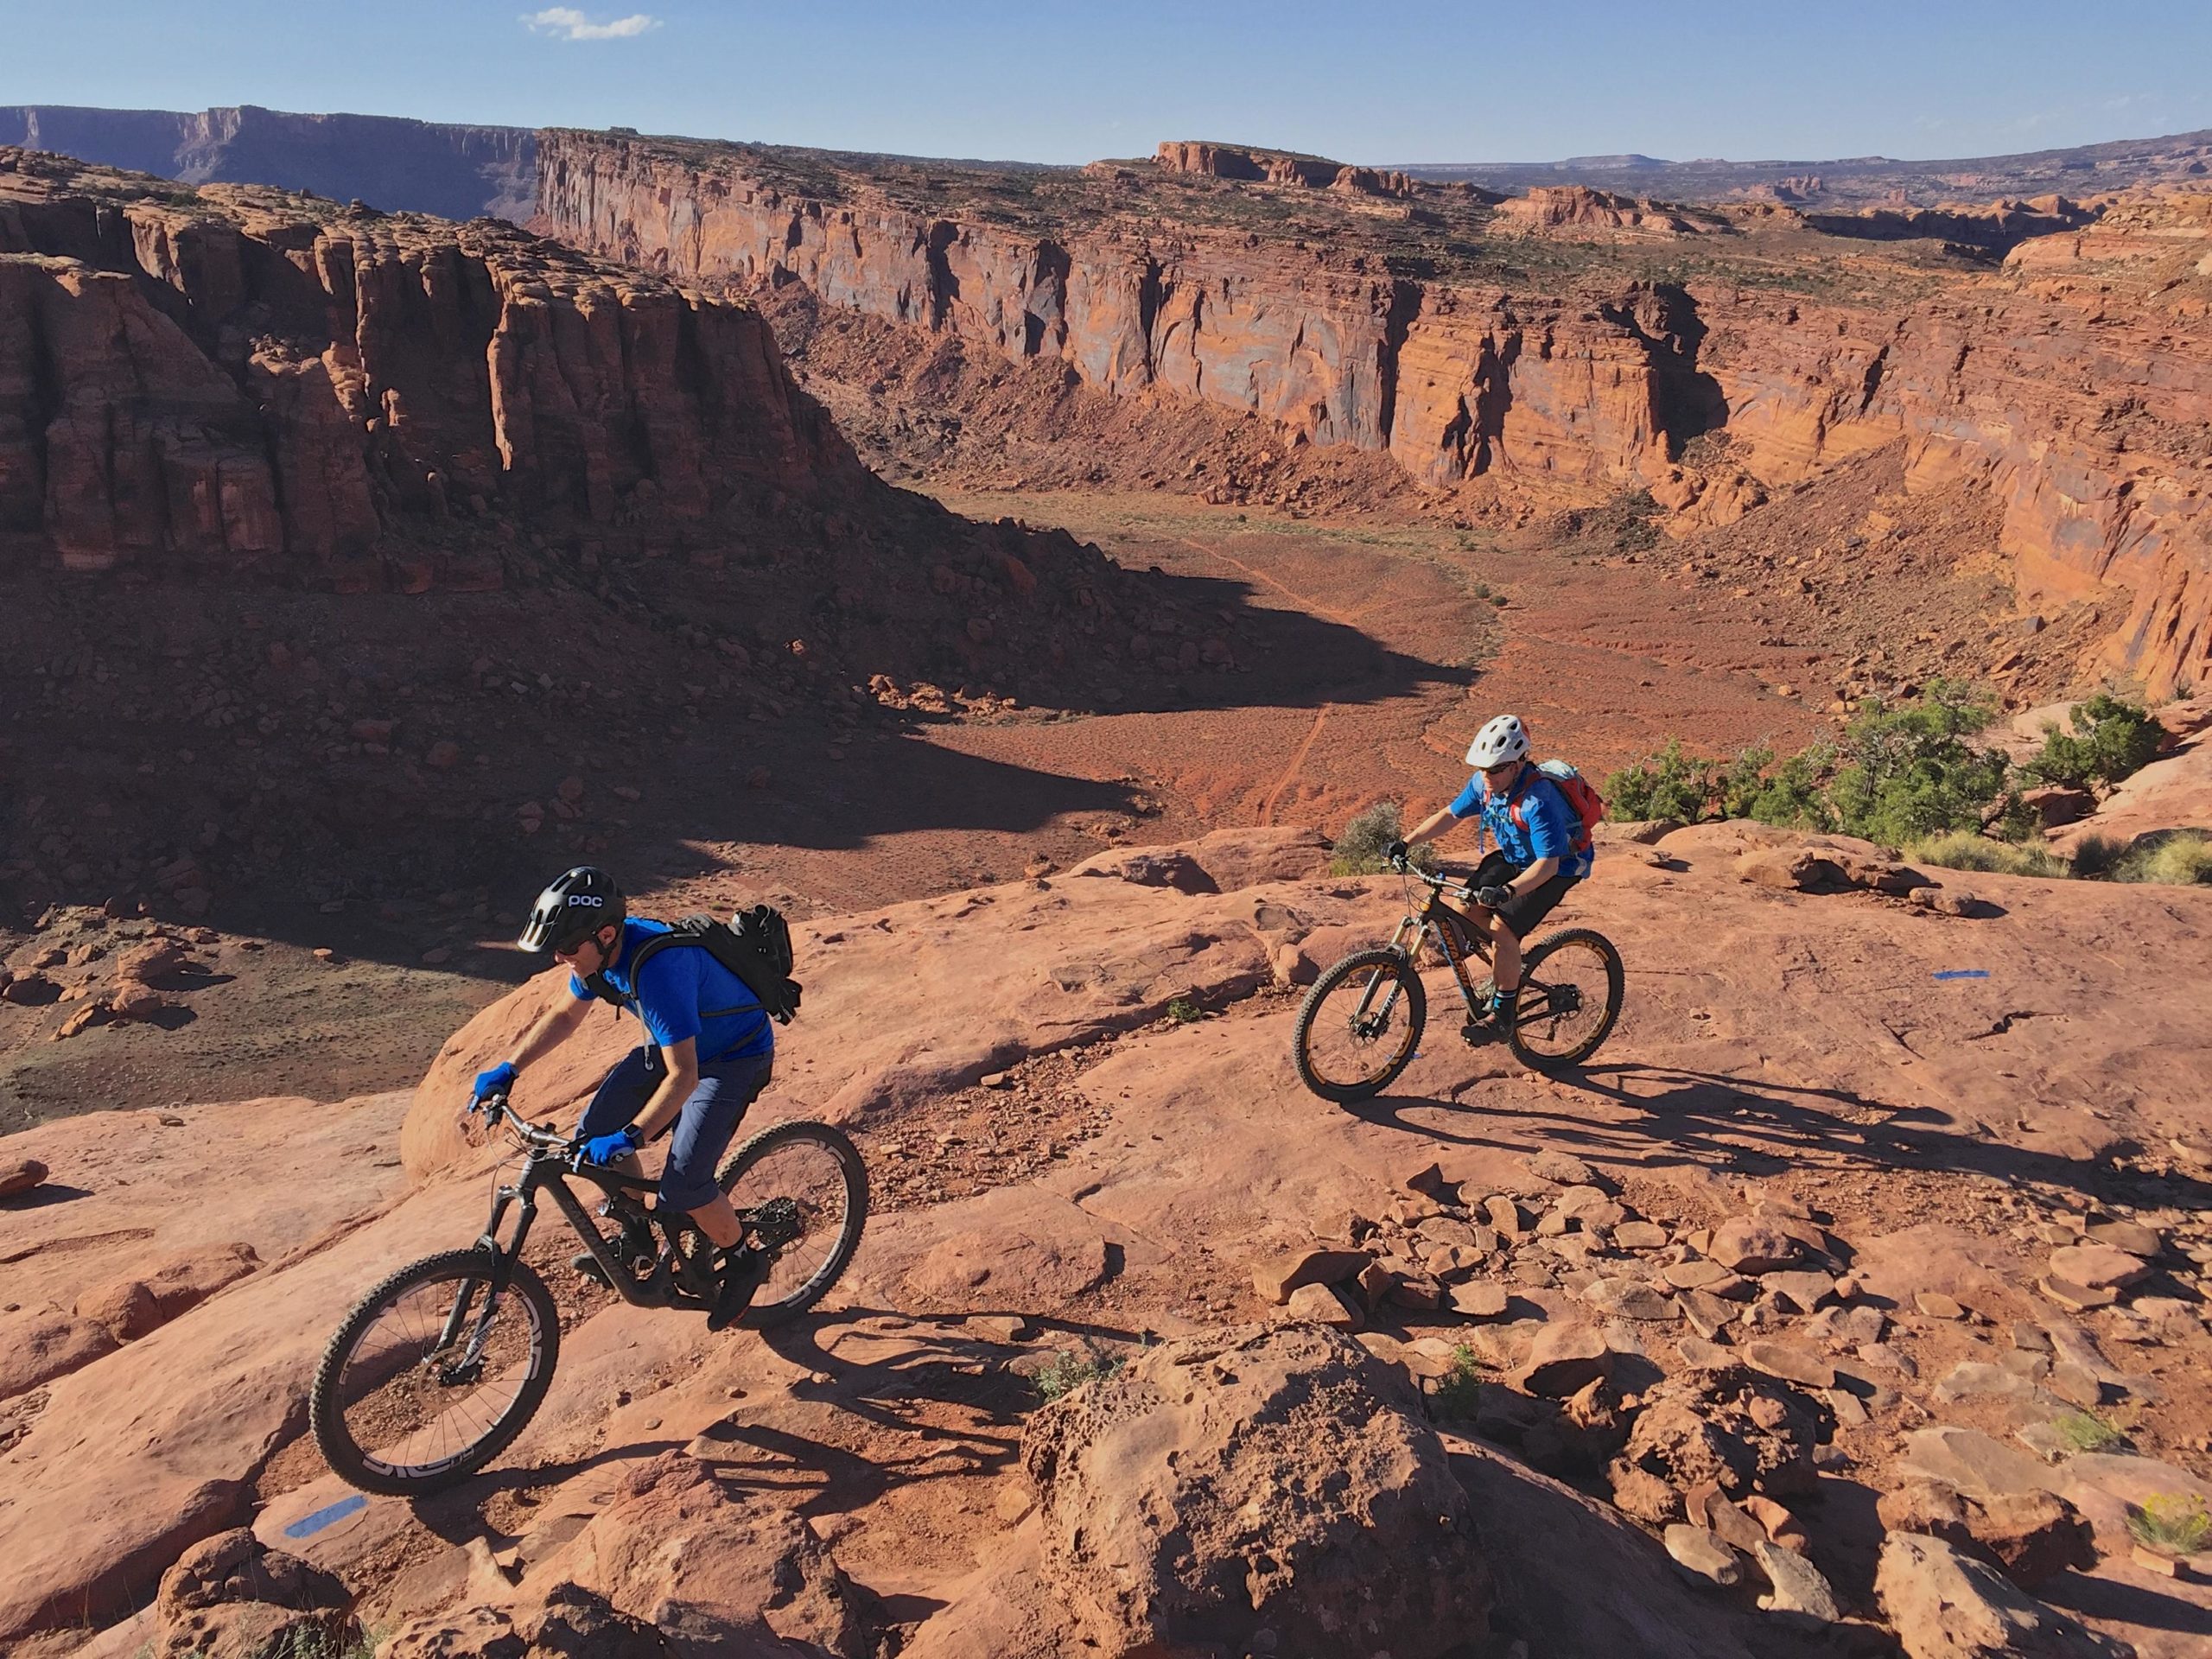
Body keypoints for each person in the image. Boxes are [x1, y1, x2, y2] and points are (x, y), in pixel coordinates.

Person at [467, 867, 775, 1331]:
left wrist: (632, 1135)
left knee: (685, 1183)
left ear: (606, 934)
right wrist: (510, 1068)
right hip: (673, 1050)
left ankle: (743, 1261)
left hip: (731, 1058)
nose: (559, 958)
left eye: (567, 948)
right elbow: (565, 1016)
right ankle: (638, 1238)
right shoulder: (598, 957)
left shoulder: (658, 970)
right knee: (591, 1136)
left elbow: (684, 1076)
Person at [1387, 713, 1592, 1036]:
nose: (1487, 776)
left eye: (1496, 769)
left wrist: (1508, 892)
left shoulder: (1539, 801)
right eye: (1483, 768)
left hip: (1557, 867)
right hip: (1515, 858)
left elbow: (1548, 865)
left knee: (1503, 928)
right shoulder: (1483, 786)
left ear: (1518, 764)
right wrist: (1406, 842)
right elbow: (1449, 816)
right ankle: (1507, 964)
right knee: (1463, 907)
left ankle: (1503, 1016)